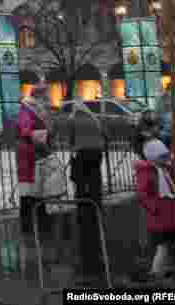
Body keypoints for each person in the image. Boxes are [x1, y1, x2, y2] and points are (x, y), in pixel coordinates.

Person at [68, 101, 107, 279]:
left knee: (82, 179)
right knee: (94, 177)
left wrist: (72, 149)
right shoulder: (94, 118)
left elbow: (71, 138)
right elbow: (104, 135)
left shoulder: (73, 118)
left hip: (82, 151)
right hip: (97, 152)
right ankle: (95, 196)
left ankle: (83, 197)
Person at [136, 138, 175, 281]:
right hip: (159, 216)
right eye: (162, 156)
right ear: (154, 157)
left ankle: (165, 271)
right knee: (163, 246)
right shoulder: (148, 172)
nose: (166, 159)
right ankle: (155, 274)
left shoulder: (165, 169)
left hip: (168, 215)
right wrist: (155, 208)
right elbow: (143, 195)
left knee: (169, 245)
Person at [18, 84, 53, 234]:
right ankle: (30, 222)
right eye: (45, 96)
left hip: (37, 153)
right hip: (29, 153)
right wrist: (42, 138)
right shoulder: (27, 109)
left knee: (38, 187)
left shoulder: (38, 109)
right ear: (38, 96)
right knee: (28, 189)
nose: (48, 99)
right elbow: (25, 131)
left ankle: (39, 218)